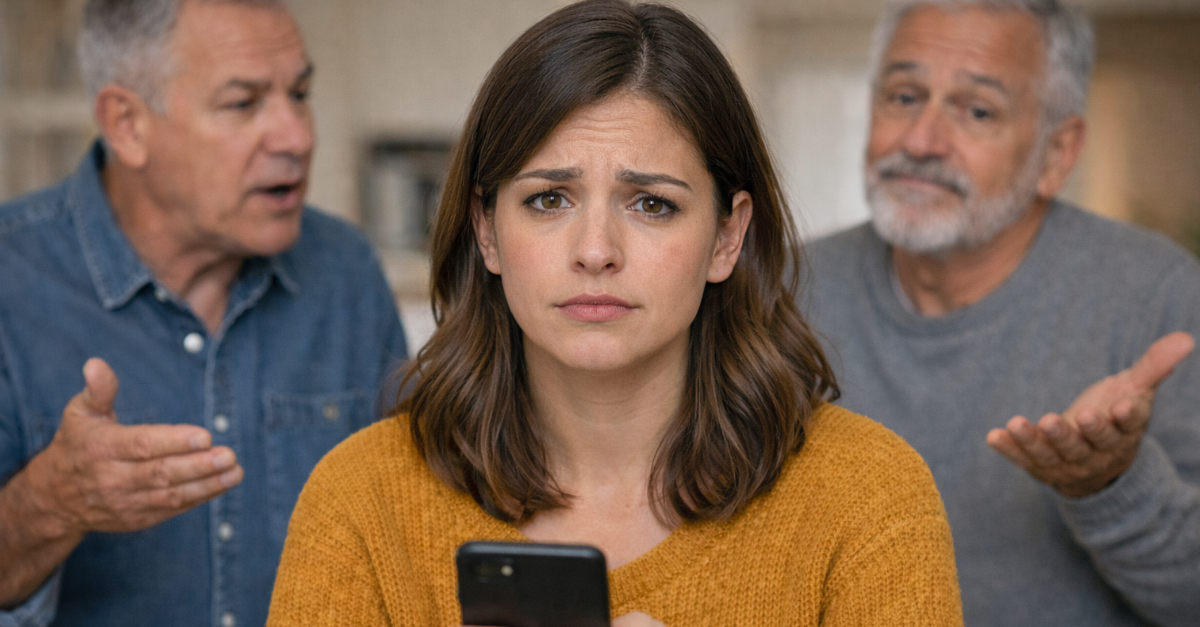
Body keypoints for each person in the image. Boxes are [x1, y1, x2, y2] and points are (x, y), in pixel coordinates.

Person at [267, 1, 963, 625]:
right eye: (548, 199)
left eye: (651, 203)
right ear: (487, 230)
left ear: (727, 236)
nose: (596, 251)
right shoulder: (360, 500)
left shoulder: (869, 496)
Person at [0, 0, 407, 625]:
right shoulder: (12, 281)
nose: (297, 137)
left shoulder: (346, 272)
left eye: (299, 94)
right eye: (243, 104)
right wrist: (50, 503)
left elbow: (405, 533)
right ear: (127, 124)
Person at [800, 0, 1200, 625]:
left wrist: (1110, 484)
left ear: (1057, 154)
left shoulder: (1160, 296)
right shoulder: (781, 290)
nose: (921, 141)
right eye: (904, 97)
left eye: (977, 111)